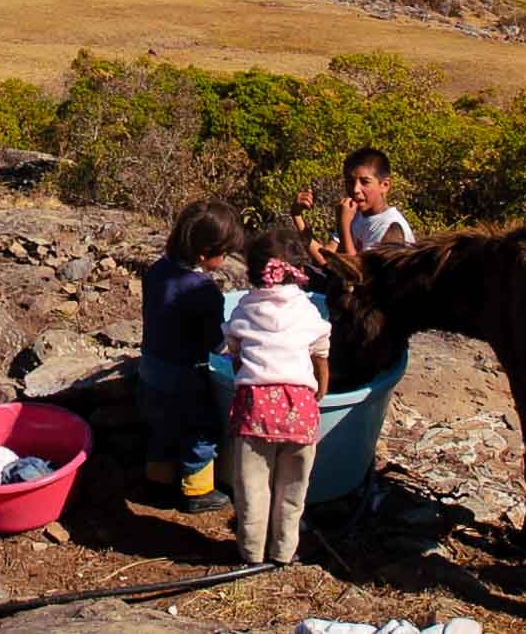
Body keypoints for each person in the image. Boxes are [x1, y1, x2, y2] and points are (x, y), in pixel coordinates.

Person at [222, 226, 331, 564]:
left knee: (252, 489)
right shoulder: (309, 311)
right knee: (293, 490)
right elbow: (321, 357)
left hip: (254, 410)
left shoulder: (244, 309)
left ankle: (251, 553)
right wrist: (319, 394)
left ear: (253, 271)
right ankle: (284, 552)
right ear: (297, 270)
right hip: (300, 410)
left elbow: (234, 351)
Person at [139, 198, 246, 513]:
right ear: (203, 254)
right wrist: (235, 348)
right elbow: (215, 343)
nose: (225, 260)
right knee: (201, 430)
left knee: (161, 428)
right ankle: (197, 491)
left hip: (150, 369)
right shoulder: (203, 291)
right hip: (184, 377)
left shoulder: (157, 271)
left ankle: (157, 480)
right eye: (223, 254)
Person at [293, 146, 415, 258]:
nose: (355, 189)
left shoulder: (389, 226)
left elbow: (358, 275)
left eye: (365, 182)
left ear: (385, 185)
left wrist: (344, 226)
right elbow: (325, 259)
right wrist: (297, 216)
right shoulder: (355, 214)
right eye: (350, 182)